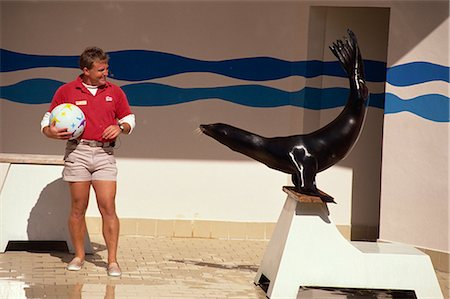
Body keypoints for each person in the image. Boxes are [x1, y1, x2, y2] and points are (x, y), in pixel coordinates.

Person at [41, 47, 135, 277]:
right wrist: (51, 132)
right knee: (78, 208)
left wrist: (120, 127)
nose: (106, 73)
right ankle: (79, 256)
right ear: (86, 70)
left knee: (108, 207)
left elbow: (129, 118)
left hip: (104, 155)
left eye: (106, 68)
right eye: (101, 70)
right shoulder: (66, 91)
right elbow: (47, 120)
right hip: (78, 153)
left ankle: (112, 261)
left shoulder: (115, 92)